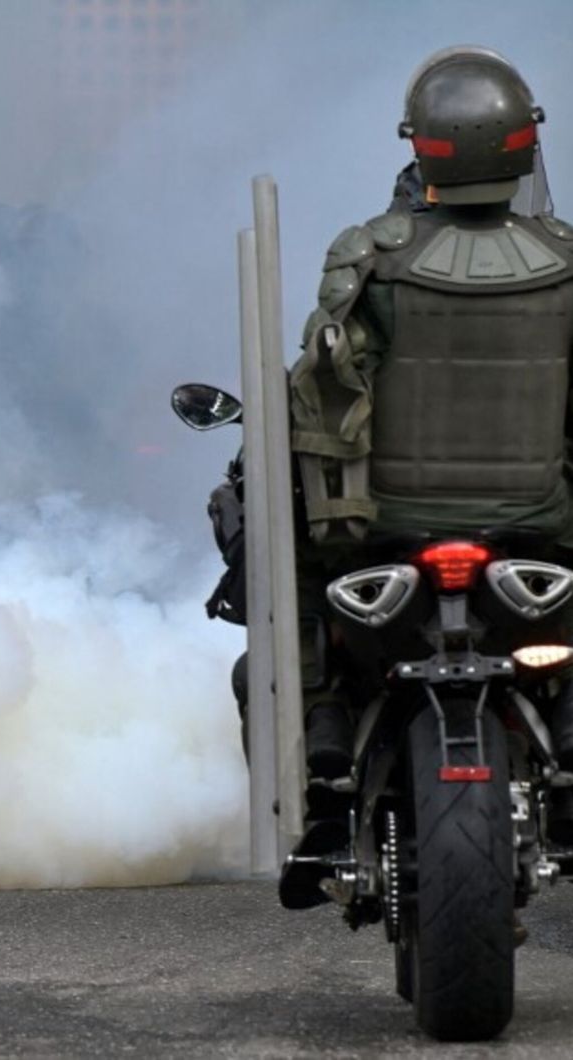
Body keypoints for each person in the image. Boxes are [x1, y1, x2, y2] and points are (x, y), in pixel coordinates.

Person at [278, 46, 573, 904]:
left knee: (281, 563)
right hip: (541, 528)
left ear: (423, 148)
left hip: (386, 529)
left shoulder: (370, 257)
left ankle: (325, 760)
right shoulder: (567, 257)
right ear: (523, 146)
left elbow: (326, 395)